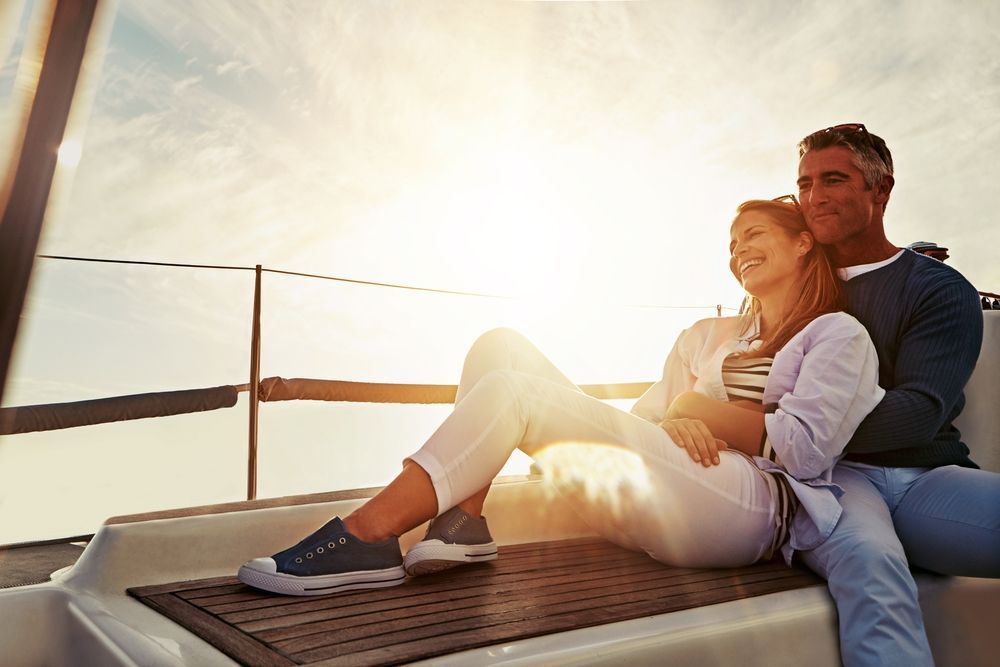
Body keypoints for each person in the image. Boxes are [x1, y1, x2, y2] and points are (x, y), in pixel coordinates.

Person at [237, 198, 883, 599]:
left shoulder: (836, 335)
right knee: (501, 346)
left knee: (520, 394)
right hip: (677, 482)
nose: (740, 248)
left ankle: (369, 533)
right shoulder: (705, 337)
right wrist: (673, 423)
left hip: (753, 507)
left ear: (803, 243)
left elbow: (803, 450)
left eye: (755, 233)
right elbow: (649, 421)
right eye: (732, 242)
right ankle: (461, 523)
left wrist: (699, 413)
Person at [794, 123, 1000, 667]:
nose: (814, 197)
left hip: (924, 480)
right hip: (830, 481)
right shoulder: (791, 290)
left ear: (880, 190)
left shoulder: (937, 288)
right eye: (805, 183)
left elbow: (916, 414)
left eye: (833, 179)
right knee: (872, 565)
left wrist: (788, 429)